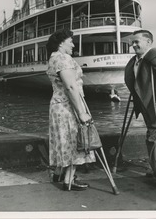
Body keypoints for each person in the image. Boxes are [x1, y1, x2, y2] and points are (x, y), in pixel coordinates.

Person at [124, 29, 156, 193]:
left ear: (148, 42)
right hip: (145, 103)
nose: (133, 45)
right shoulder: (136, 60)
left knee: (154, 136)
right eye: (132, 42)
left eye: (137, 41)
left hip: (155, 103)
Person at [46, 29, 96, 191]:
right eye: (70, 42)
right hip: (68, 105)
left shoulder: (53, 58)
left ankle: (59, 172)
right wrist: (81, 111)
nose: (73, 45)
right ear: (61, 43)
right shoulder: (63, 58)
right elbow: (70, 86)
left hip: (58, 105)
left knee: (64, 140)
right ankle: (69, 180)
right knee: (74, 140)